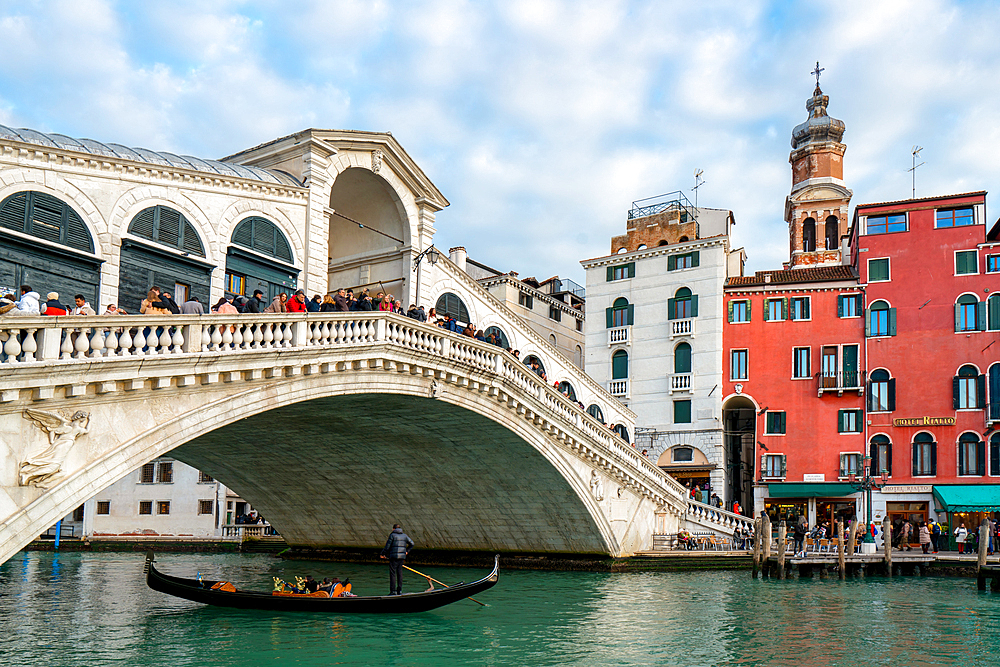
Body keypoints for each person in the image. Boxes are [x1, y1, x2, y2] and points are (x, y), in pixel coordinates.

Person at [380, 523, 414, 595]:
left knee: (393, 573)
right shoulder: (404, 536)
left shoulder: (392, 535)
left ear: (393, 529)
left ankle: (393, 591)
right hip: (401, 557)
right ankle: (399, 590)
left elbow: (387, 547)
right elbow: (412, 544)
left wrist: (382, 554)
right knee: (399, 573)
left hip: (393, 557)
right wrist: (407, 551)